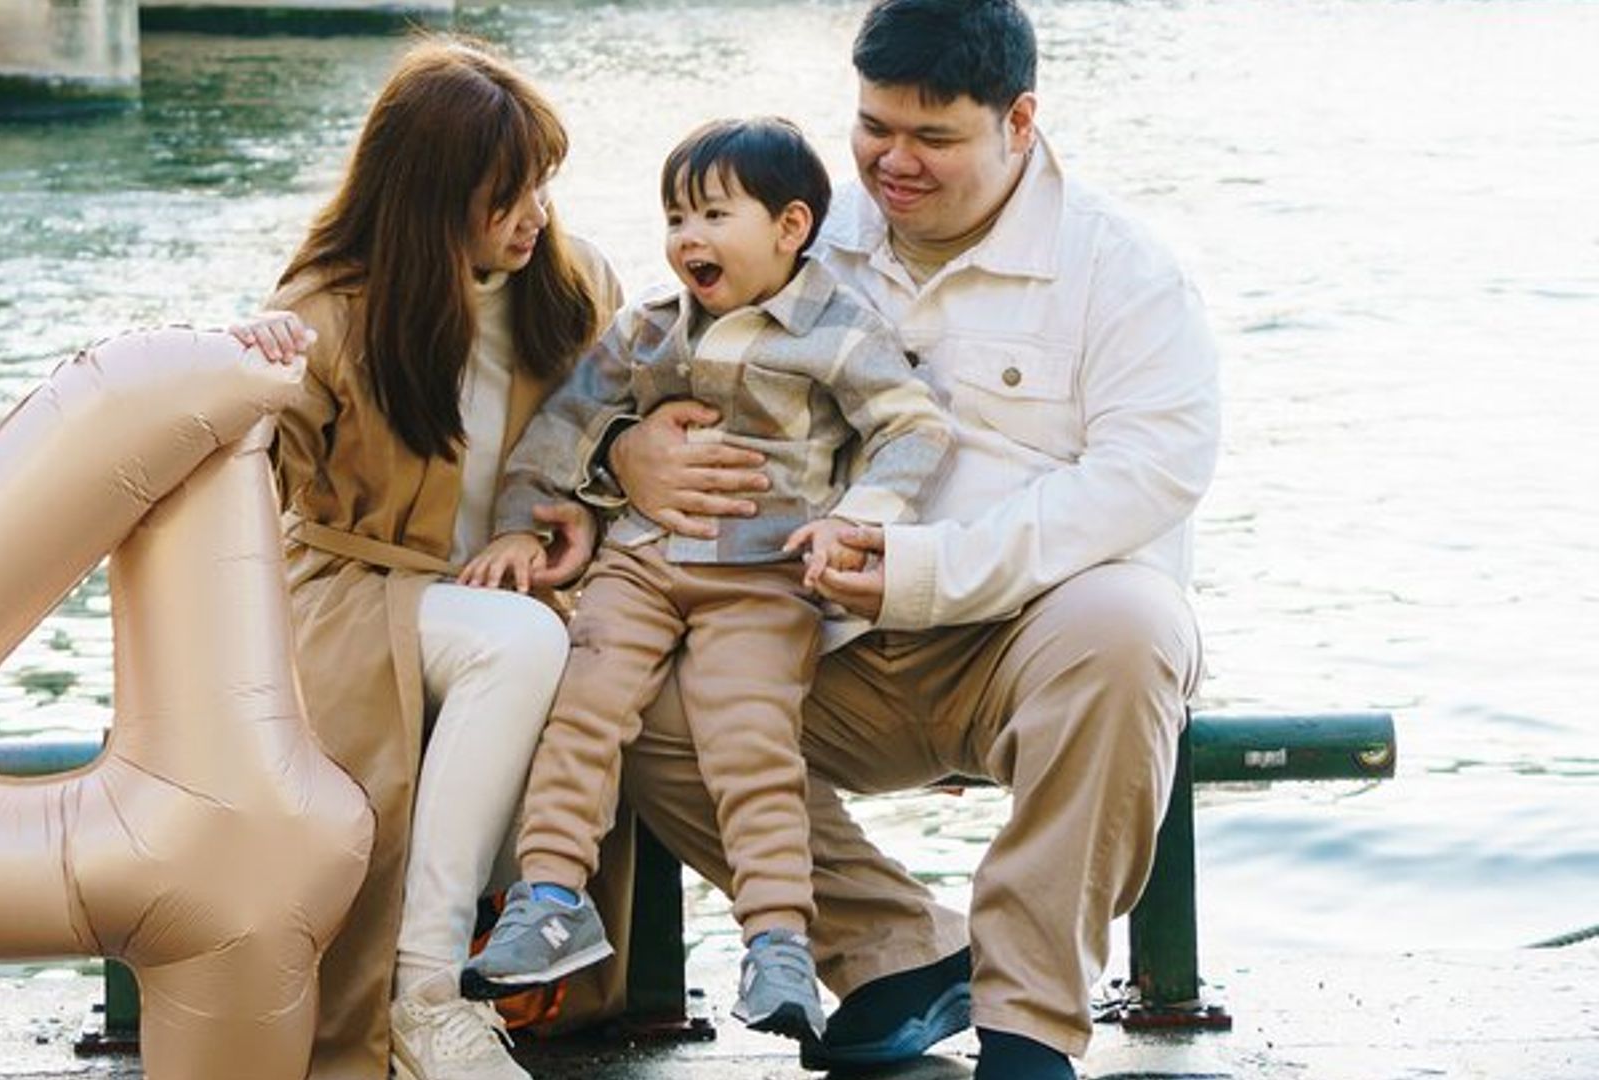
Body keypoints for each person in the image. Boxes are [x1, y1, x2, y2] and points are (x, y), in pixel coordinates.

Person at [602, 2, 1222, 1077]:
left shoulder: (1122, 270)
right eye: (874, 126)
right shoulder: (803, 235)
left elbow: (1147, 479)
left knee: (1133, 626)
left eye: (933, 137)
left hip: (1032, 643)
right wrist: (627, 449)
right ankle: (905, 956)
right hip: (820, 642)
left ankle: (1030, 1024)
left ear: (1019, 121)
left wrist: (927, 570)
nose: (894, 161)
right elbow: (644, 360)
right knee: (638, 705)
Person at [454, 117, 958, 1043]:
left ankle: (778, 943)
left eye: (713, 215)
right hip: (641, 564)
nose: (688, 238)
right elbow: (561, 430)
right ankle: (552, 897)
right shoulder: (648, 328)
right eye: (675, 217)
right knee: (584, 703)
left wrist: (858, 523)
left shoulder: (838, 332)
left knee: (748, 742)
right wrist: (527, 527)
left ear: (791, 225)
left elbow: (914, 428)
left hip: (763, 581)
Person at [231, 38, 621, 1080]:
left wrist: (581, 509)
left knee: (582, 655)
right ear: (434, 197)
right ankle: (426, 992)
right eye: (508, 195)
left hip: (521, 590)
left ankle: (512, 978)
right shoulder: (327, 312)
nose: (536, 215)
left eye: (543, 185)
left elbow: (628, 436)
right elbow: (230, 473)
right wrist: (244, 370)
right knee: (518, 647)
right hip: (357, 596)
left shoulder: (573, 291)